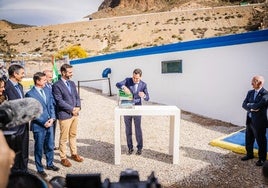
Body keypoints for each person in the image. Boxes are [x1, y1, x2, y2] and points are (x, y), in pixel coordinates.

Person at [25, 72, 59, 178]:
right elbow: (31, 112)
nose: (47, 81)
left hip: (50, 123)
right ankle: (39, 169)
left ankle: (50, 164)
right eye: (44, 80)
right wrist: (43, 122)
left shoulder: (48, 90)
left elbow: (51, 106)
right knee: (38, 148)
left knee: (50, 145)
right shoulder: (30, 94)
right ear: (38, 81)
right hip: (39, 126)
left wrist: (52, 118)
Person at [52, 63, 83, 167]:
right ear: (63, 72)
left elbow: (77, 96)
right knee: (64, 138)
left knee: (73, 135)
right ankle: (63, 157)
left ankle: (74, 154)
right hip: (65, 115)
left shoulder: (72, 83)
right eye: (69, 72)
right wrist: (71, 109)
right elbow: (59, 101)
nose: (71, 74)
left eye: (72, 72)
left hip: (75, 114)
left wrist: (78, 106)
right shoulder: (56, 85)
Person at [116, 68, 150, 155]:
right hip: (126, 106)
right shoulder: (128, 80)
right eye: (134, 77)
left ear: (141, 77)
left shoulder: (143, 85)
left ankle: (139, 148)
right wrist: (123, 87)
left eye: (137, 78)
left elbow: (148, 98)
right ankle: (130, 148)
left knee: (138, 128)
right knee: (128, 129)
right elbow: (118, 84)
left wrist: (144, 95)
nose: (135, 80)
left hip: (138, 108)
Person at [4, 64, 29, 173]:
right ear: (15, 73)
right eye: (22, 73)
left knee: (24, 148)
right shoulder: (5, 87)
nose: (24, 75)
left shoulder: (20, 86)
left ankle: (24, 170)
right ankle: (15, 173)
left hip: (24, 123)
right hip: (13, 125)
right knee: (14, 150)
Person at [241, 75, 268, 166]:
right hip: (249, 120)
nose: (251, 83)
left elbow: (258, 105)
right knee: (248, 139)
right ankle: (249, 154)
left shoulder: (266, 94)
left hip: (259, 122)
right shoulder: (250, 92)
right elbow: (244, 104)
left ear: (259, 83)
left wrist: (250, 105)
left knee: (261, 141)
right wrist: (252, 108)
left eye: (253, 81)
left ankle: (262, 159)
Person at [43, 69, 58, 150]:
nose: (51, 79)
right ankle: (45, 146)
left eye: (51, 77)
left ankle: (52, 144)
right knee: (46, 130)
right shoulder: (42, 88)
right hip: (46, 113)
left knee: (53, 129)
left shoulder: (52, 85)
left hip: (54, 111)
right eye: (49, 77)